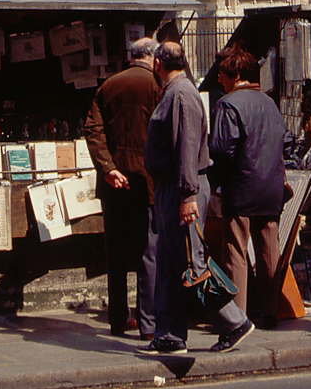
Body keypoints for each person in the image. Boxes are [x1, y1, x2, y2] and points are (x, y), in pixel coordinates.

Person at [142, 41, 254, 356]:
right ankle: (169, 334)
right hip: (172, 188)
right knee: (168, 263)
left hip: (182, 189)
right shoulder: (175, 93)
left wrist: (188, 195)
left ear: (157, 65)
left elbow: (187, 146)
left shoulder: (181, 95)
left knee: (192, 264)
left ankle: (234, 322)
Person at [84, 37, 160, 338]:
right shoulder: (157, 85)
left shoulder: (108, 86)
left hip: (114, 183)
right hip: (146, 181)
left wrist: (108, 168)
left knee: (115, 253)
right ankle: (148, 323)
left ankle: (118, 318)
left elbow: (93, 129)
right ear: (153, 58)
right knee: (147, 252)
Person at [209, 45, 287, 327]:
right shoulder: (270, 104)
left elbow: (221, 150)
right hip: (271, 187)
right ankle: (271, 311)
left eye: (223, 74)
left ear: (236, 74)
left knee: (235, 252)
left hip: (240, 186)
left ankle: (237, 317)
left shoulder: (228, 104)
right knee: (268, 249)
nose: (220, 80)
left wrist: (214, 183)